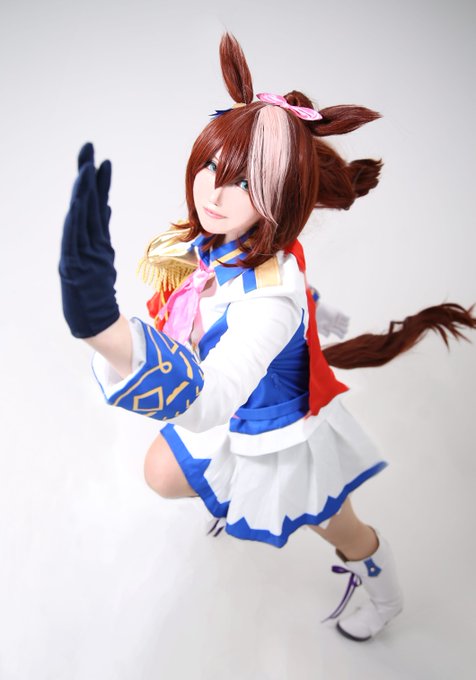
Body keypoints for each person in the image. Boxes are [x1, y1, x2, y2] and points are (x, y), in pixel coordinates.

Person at [59, 34, 475, 642]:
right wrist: (319, 313)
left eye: (246, 182)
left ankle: (384, 590)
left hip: (276, 428)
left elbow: (214, 392)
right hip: (231, 400)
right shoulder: (220, 242)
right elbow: (228, 295)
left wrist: (104, 330)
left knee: (335, 523)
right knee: (162, 473)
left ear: (278, 197)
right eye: (211, 166)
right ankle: (233, 495)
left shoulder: (271, 302)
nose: (213, 192)